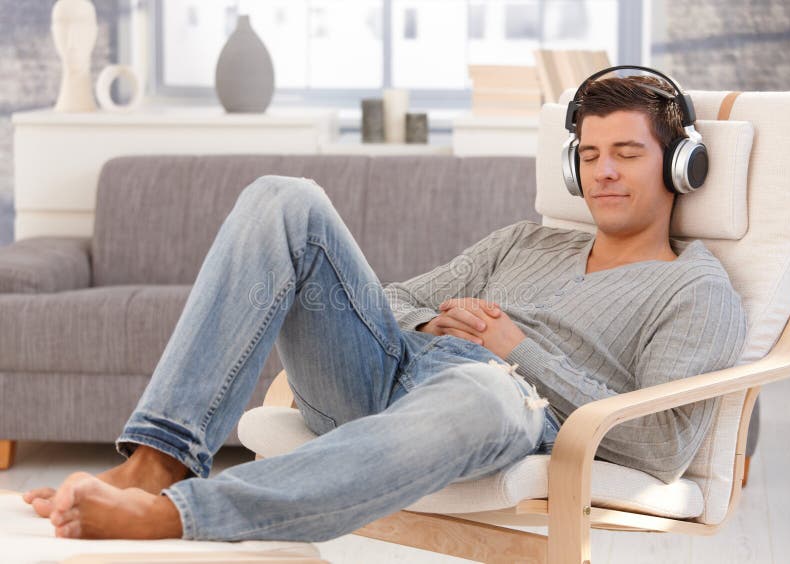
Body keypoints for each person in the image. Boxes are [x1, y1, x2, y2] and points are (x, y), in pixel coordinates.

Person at [22, 71, 746, 542]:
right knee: (285, 197)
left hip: (504, 404)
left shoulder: (696, 288)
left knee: (487, 395)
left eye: (626, 153)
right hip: (389, 371)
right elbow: (397, 299)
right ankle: (159, 462)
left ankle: (177, 516)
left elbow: (659, 447)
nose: (604, 172)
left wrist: (513, 349)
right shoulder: (529, 239)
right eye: (588, 156)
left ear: (682, 164)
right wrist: (431, 324)